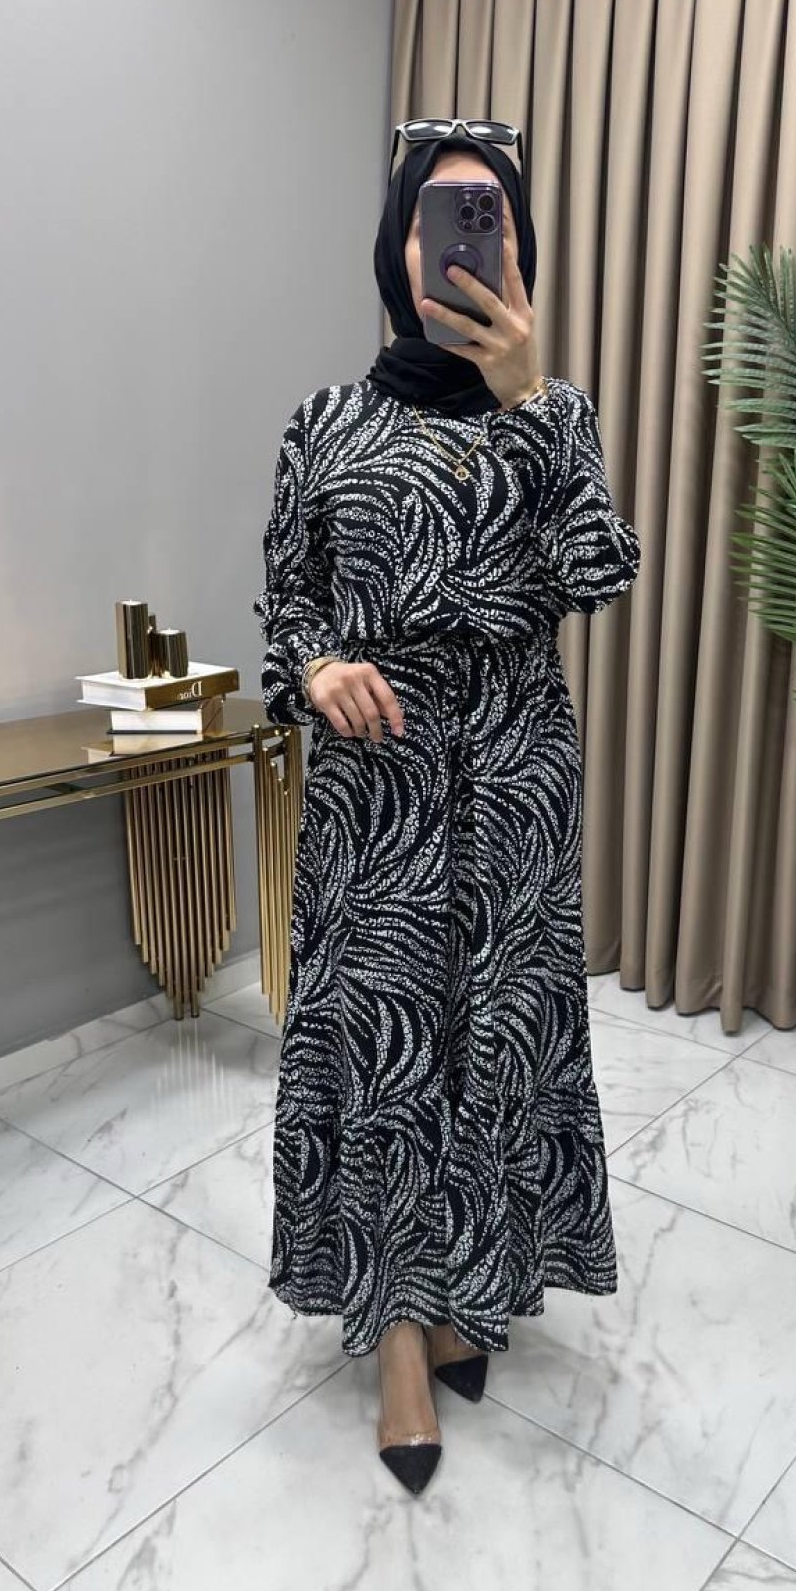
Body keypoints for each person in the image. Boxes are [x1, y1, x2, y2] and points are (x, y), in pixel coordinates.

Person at [253, 124, 642, 1497]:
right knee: (384, 1055)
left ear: (518, 248)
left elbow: (600, 572)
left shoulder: (553, 415)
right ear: (398, 248)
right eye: (440, 216)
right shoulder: (326, 421)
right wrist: (315, 668)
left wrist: (532, 399)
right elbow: (287, 603)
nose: (465, 240)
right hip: (379, 791)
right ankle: (400, 1338)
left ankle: (471, 1284)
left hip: (517, 779)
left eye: (491, 218)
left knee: (496, 1042)